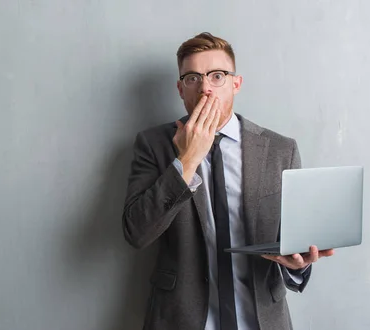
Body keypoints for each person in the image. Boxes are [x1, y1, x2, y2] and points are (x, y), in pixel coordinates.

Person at [121, 32, 334, 330]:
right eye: (193, 78)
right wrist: (187, 161)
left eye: (217, 76)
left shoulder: (281, 150)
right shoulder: (153, 145)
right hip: (181, 320)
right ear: (181, 89)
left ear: (236, 84)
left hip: (261, 319)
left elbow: (293, 240)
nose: (205, 88)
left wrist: (298, 265)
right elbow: (136, 232)